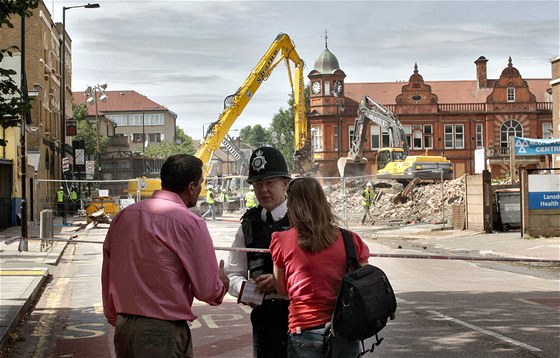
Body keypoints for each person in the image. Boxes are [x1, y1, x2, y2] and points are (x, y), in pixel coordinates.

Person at [101, 154, 230, 358]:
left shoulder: (124, 217)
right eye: (200, 184)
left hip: (124, 328)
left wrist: (113, 315)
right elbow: (207, 290)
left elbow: (108, 271)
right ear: (191, 186)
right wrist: (221, 285)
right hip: (162, 332)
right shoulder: (189, 223)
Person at [270, 177, 370, 357]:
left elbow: (282, 289)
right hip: (344, 331)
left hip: (303, 330)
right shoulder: (350, 239)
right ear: (323, 202)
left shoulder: (281, 240)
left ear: (292, 205)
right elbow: (364, 284)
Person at [225, 146, 292, 358]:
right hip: (265, 319)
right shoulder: (248, 225)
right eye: (257, 184)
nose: (263, 190)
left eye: (270, 183)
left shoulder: (304, 219)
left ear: (285, 183)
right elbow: (233, 272)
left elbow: (322, 270)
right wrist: (244, 289)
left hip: (303, 318)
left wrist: (281, 283)